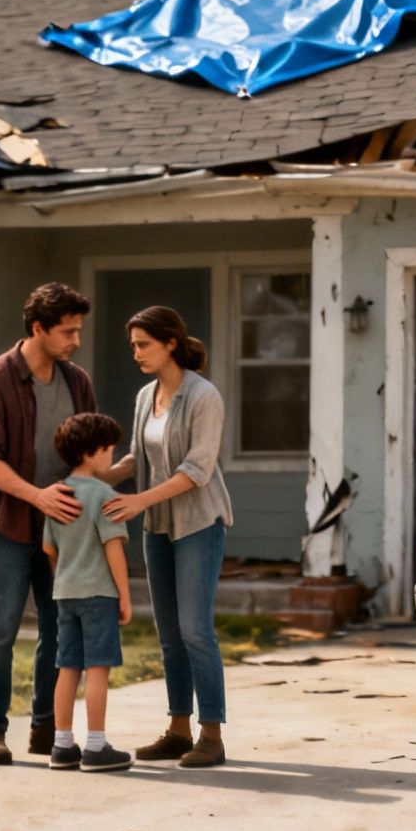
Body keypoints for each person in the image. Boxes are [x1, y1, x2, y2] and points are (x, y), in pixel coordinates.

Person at [0, 283, 97, 765]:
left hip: (64, 529)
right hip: (11, 525)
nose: (75, 340)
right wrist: (36, 494)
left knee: (61, 630)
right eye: (67, 331)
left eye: (78, 330)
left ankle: (47, 730)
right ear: (38, 328)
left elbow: (86, 451)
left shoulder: (77, 381)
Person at [104, 306, 233, 769]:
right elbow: (137, 458)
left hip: (199, 523)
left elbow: (197, 470)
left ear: (170, 344)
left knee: (196, 630)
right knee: (169, 635)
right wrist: (97, 478)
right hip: (157, 526)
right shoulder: (145, 396)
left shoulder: (204, 396)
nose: (136, 353)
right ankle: (179, 730)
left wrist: (138, 501)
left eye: (143, 345)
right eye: (133, 345)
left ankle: (211, 735)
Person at [41, 412, 136, 773]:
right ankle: (96, 746)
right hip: (99, 595)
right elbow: (114, 548)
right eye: (109, 449)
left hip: (65, 593)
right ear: (90, 452)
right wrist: (124, 596)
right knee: (98, 669)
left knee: (67, 667)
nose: (112, 456)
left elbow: (50, 551)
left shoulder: (58, 495)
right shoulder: (104, 496)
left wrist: (66, 577)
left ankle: (62, 745)